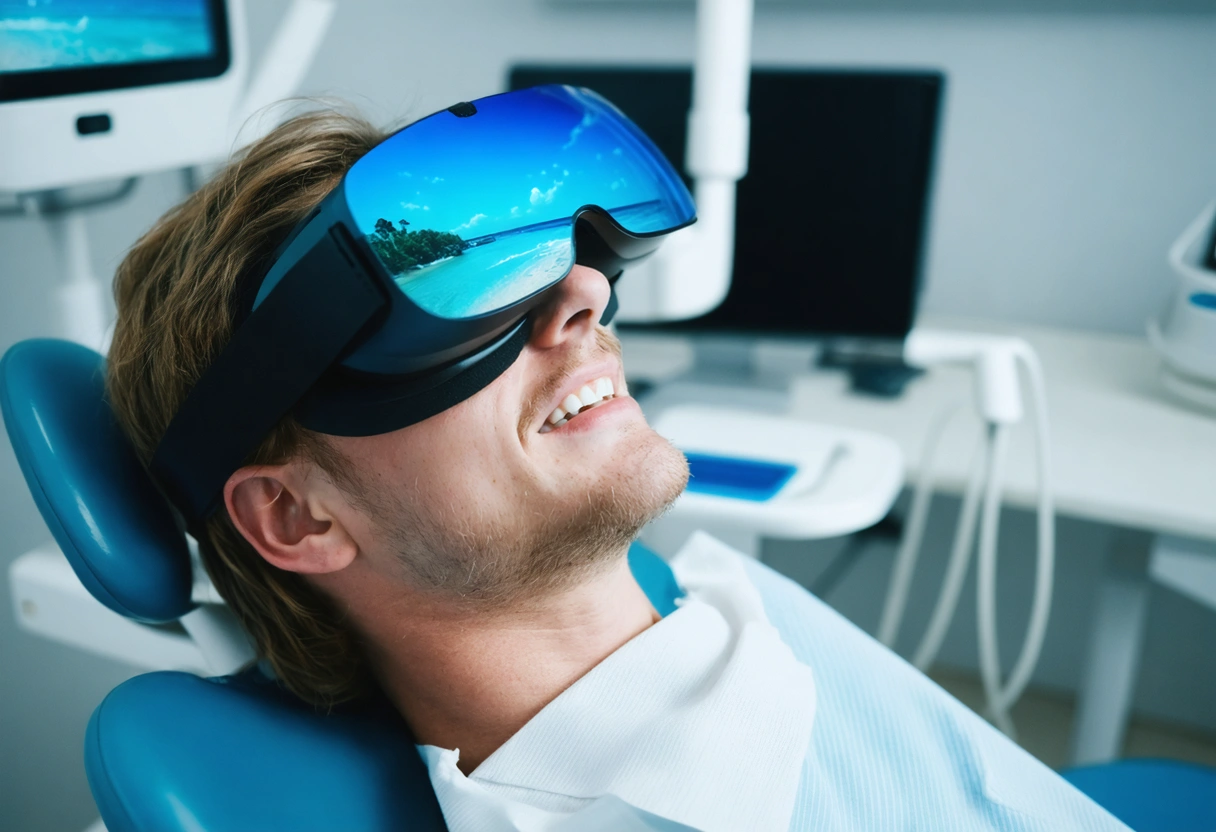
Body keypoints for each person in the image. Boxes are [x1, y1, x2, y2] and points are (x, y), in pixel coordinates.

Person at [106, 104, 1128, 832]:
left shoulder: (719, 594)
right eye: (453, 299)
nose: (584, 293)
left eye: (559, 260)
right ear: (296, 516)